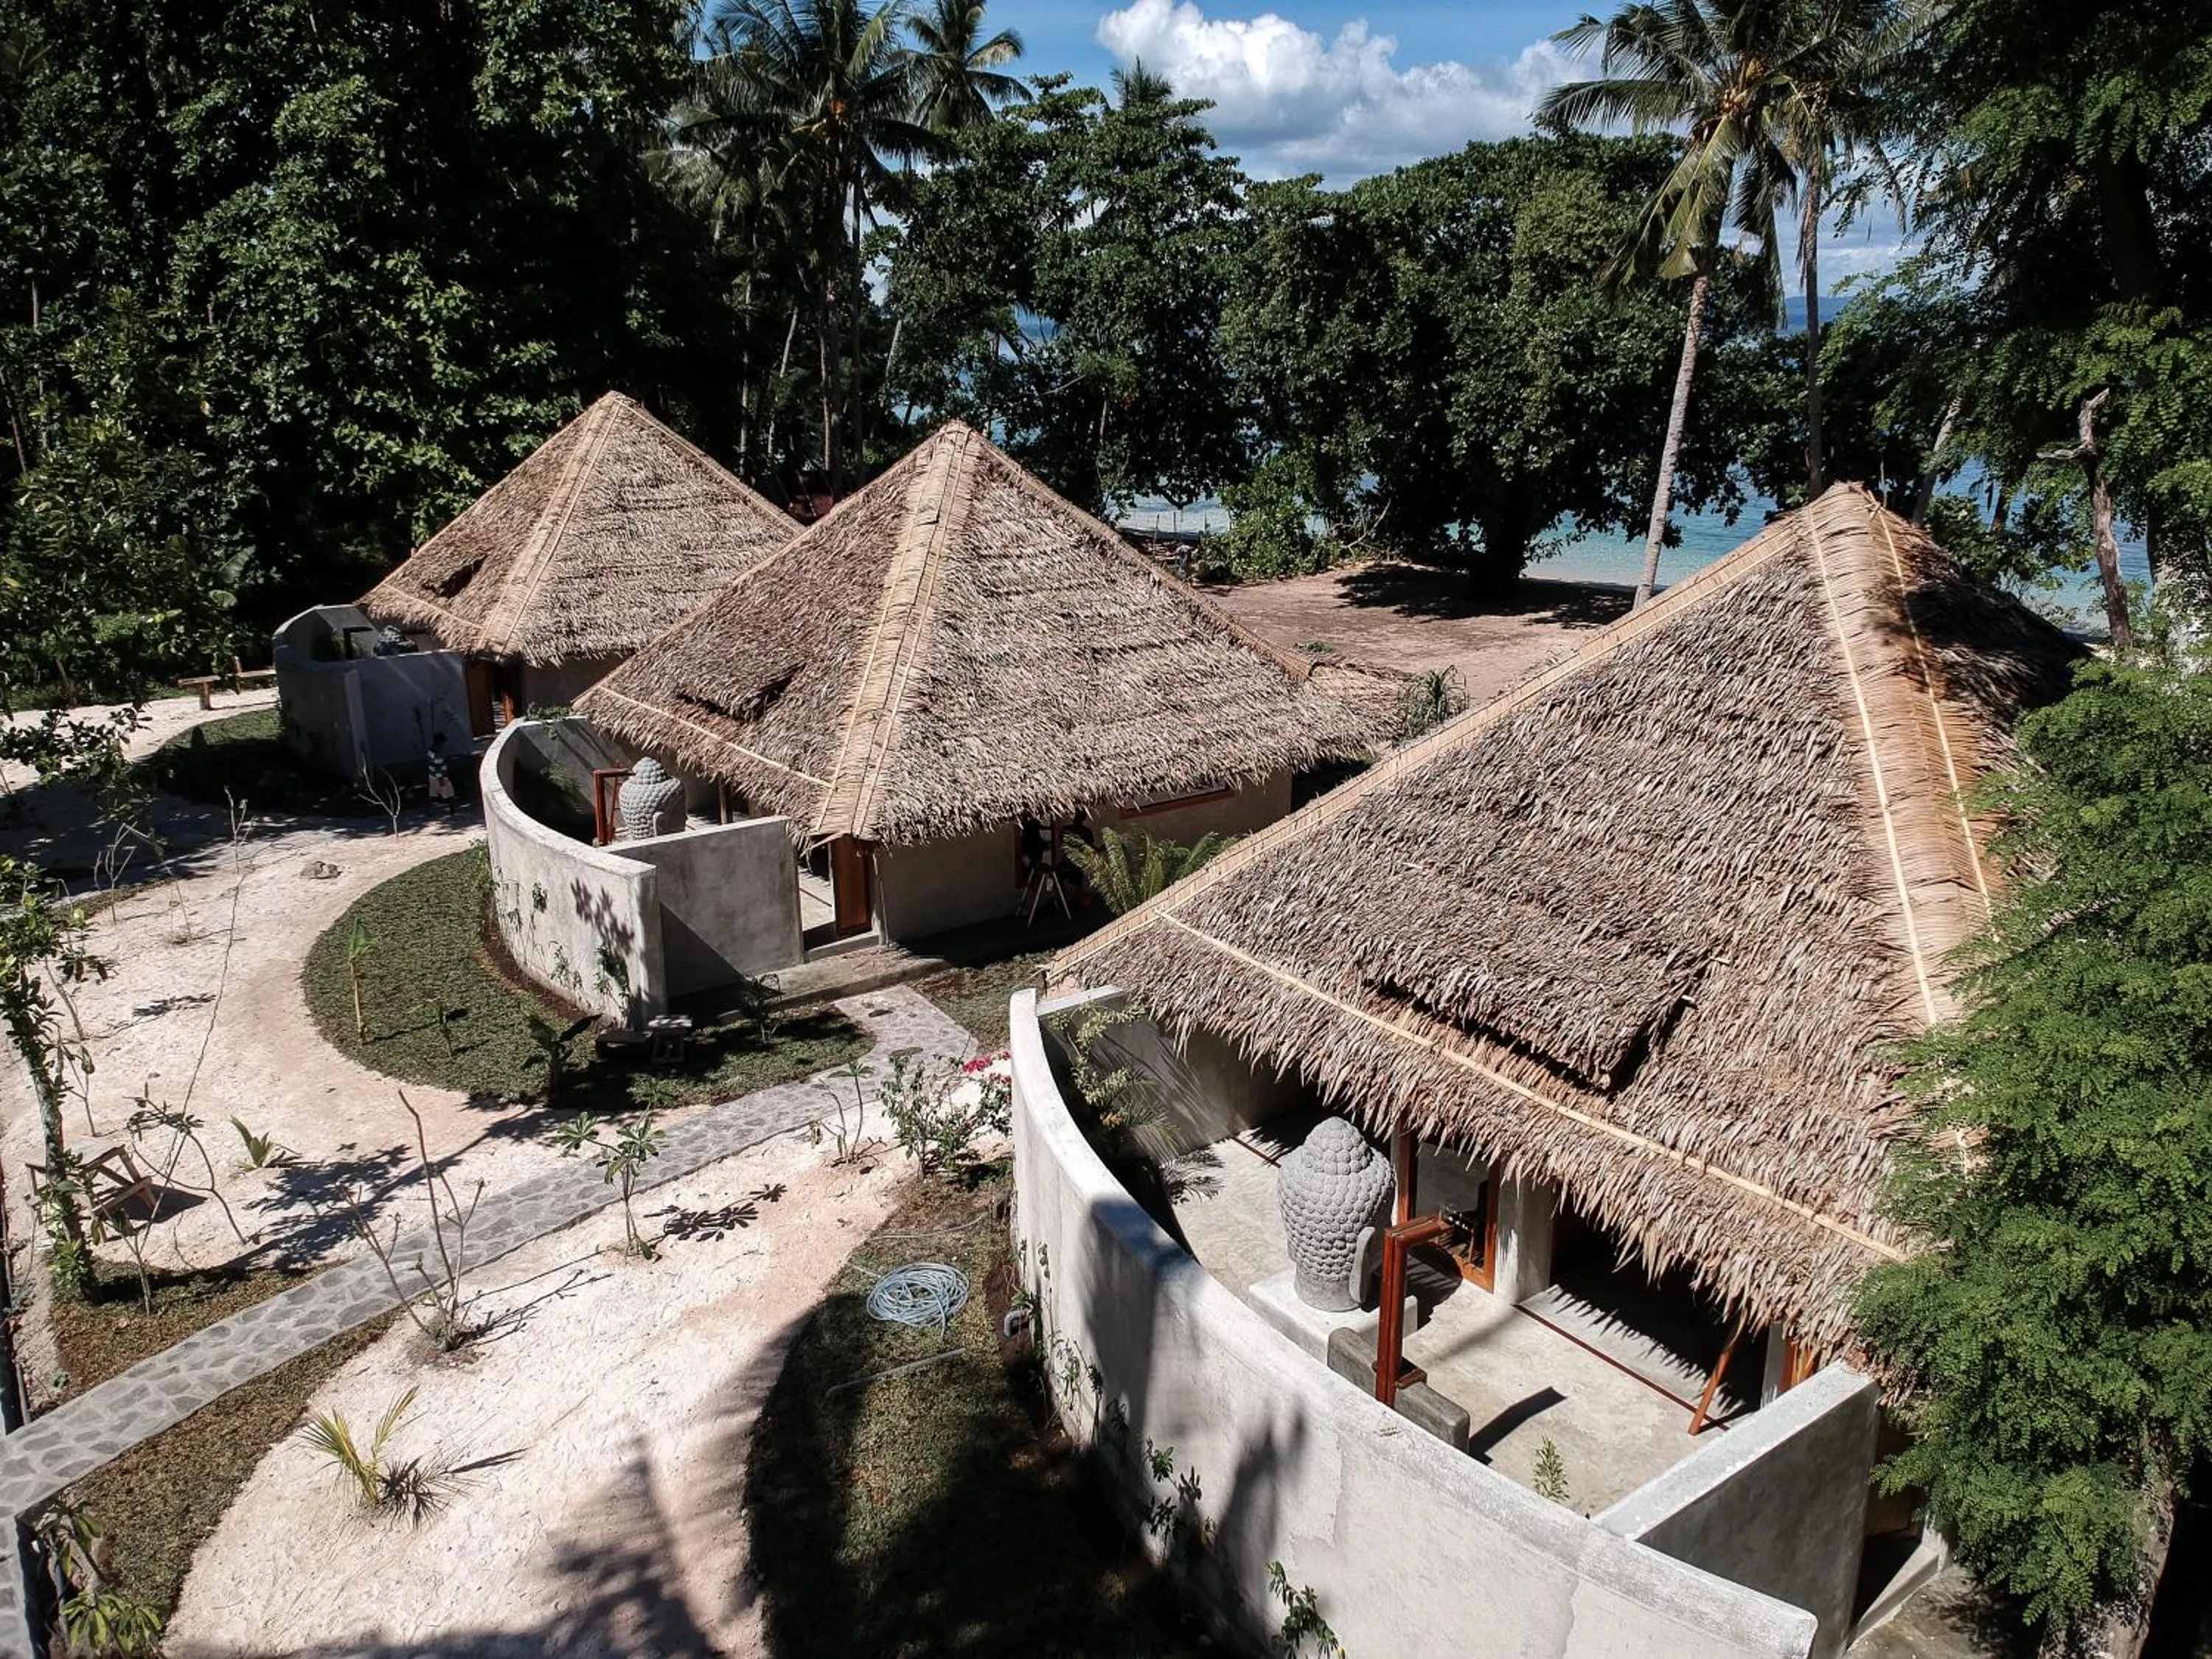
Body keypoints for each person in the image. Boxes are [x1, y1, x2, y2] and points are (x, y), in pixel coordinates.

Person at [425, 732, 456, 813]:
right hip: (440, 777)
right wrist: (441, 779)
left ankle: (429, 810)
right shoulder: (437, 755)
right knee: (450, 794)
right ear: (439, 743)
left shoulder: (430, 752)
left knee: (433, 794)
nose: (444, 745)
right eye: (443, 743)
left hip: (432, 776)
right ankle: (452, 809)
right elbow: (438, 767)